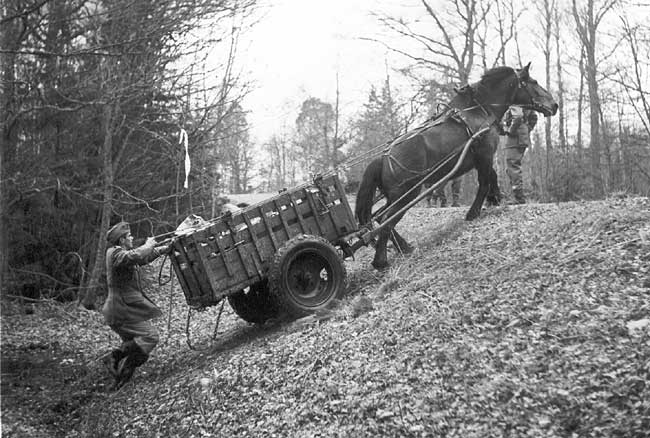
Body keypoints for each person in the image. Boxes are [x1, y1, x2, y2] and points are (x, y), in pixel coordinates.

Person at [100, 221, 169, 389]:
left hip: (120, 309)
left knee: (136, 346)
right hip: (120, 309)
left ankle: (119, 382)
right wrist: (148, 244)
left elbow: (141, 259)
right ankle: (114, 358)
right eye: (129, 236)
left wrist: (162, 249)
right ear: (122, 240)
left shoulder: (121, 254)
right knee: (150, 336)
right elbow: (136, 255)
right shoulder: (115, 254)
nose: (131, 238)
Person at [503, 105, 538, 204]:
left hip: (515, 137)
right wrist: (526, 129)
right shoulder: (525, 101)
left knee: (513, 165)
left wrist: (510, 130)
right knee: (512, 166)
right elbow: (534, 117)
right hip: (521, 136)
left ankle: (519, 198)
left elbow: (517, 117)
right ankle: (517, 196)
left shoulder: (516, 100)